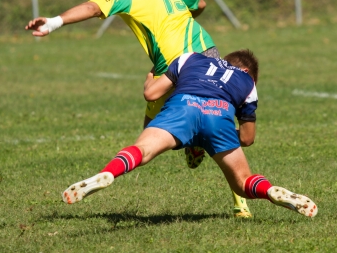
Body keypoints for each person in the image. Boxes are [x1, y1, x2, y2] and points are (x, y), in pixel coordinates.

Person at [25, 0, 253, 217]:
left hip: (172, 62)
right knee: (220, 122)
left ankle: (186, 143)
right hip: (205, 51)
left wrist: (53, 22)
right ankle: (240, 204)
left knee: (151, 132)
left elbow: (92, 7)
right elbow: (200, 3)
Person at [62, 49, 318, 219]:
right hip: (219, 117)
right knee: (242, 183)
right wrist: (213, 137)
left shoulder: (190, 58)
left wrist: (149, 77)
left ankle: (109, 172)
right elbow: (248, 138)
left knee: (142, 151)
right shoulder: (247, 84)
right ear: (249, 73)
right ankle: (270, 191)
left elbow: (152, 94)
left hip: (183, 107)